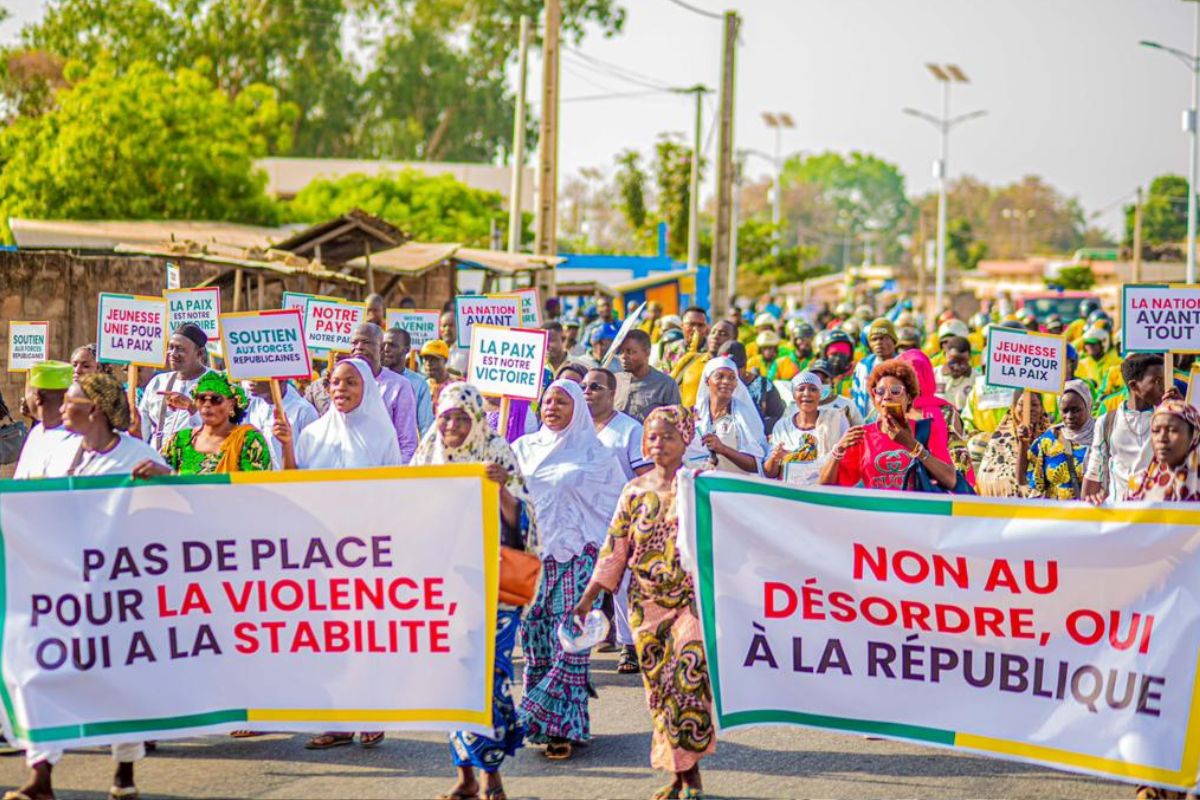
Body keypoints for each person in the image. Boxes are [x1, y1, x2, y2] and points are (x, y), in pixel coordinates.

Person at [12, 373, 165, 800]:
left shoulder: (137, 454)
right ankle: (41, 774)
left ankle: (124, 771)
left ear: (93, 409)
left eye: (71, 401)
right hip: (60, 585)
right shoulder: (60, 451)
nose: (62, 407)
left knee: (117, 680)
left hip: (116, 590)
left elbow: (179, 506)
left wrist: (161, 478)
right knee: (37, 673)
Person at [573, 407, 716, 800]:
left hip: (691, 603)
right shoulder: (634, 491)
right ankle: (678, 773)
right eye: (652, 437)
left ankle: (693, 777)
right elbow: (615, 548)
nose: (659, 444)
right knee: (660, 691)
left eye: (668, 436)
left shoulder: (701, 486)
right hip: (645, 606)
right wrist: (588, 598)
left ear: (685, 439)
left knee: (689, 683)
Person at [410, 384, 538, 800]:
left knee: (488, 681)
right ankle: (465, 775)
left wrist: (501, 489)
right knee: (452, 682)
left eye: (462, 418)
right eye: (446, 417)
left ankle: (491, 776)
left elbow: (523, 521)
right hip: (443, 589)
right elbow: (406, 512)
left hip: (493, 589)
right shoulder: (427, 454)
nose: (452, 426)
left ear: (478, 420)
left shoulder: (497, 452)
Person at [272, 358, 401, 751]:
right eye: (334, 382)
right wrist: (287, 446)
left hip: (366, 553)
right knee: (330, 639)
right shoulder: (311, 434)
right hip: (321, 554)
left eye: (350, 383)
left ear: (366, 390)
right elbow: (294, 487)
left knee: (366, 637)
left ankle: (371, 716)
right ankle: (337, 722)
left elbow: (395, 494)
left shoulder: (381, 435)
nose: (341, 389)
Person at [513, 380, 626, 760]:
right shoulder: (522, 448)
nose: (552, 407)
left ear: (577, 407)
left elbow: (617, 506)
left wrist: (608, 557)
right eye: (547, 401)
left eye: (562, 401)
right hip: (532, 558)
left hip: (579, 557)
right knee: (536, 638)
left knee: (571, 641)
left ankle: (556, 725)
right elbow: (507, 499)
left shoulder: (597, 454)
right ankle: (550, 723)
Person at [819, 359, 958, 491]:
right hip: (877, 508)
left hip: (915, 508)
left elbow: (950, 480)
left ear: (909, 398)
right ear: (874, 399)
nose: (886, 396)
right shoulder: (862, 435)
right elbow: (826, 488)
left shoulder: (926, 430)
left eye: (896, 391)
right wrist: (838, 450)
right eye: (880, 392)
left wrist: (912, 445)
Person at [138, 372, 272, 475]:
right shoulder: (179, 440)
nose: (207, 405)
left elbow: (257, 487)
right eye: (201, 399)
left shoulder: (248, 440)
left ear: (231, 404)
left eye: (216, 400)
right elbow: (157, 477)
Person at [1083, 353, 1165, 504]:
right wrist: (1088, 506)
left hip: (1158, 512)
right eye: (1157, 381)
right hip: (1120, 511)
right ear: (1133, 386)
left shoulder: (1169, 420)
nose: (1163, 387)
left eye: (1164, 381)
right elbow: (1095, 471)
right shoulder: (1107, 422)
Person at [349, 322, 418, 463]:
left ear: (381, 349)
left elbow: (407, 444)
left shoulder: (399, 386)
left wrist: (395, 474)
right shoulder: (341, 384)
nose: (359, 347)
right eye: (354, 343)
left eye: (366, 342)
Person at [764, 371, 849, 486]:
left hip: (825, 491)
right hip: (789, 492)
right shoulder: (782, 426)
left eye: (813, 389)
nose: (807, 393)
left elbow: (847, 461)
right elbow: (769, 473)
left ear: (820, 394)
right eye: (801, 389)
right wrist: (774, 458)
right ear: (794, 394)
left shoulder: (836, 420)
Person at [899, 348, 972, 482]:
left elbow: (958, 454)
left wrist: (957, 485)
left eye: (918, 374)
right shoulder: (892, 410)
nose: (912, 381)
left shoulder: (945, 411)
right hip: (899, 482)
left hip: (938, 484)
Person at [685, 356, 766, 475]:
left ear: (736, 383)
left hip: (733, 484)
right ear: (707, 381)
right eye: (719, 376)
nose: (726, 381)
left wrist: (723, 449)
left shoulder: (745, 415)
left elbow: (758, 465)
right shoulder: (693, 414)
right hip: (701, 483)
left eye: (732, 378)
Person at [137, 323, 211, 449]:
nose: (173, 353)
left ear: (199, 353)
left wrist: (192, 408)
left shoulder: (218, 382)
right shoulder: (158, 382)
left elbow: (222, 430)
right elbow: (142, 428)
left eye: (180, 349)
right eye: (171, 347)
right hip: (159, 458)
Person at [1025, 380, 1094, 501]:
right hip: (1056, 511)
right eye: (1065, 411)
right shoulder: (1049, 440)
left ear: (1088, 406)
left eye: (1076, 410)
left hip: (1095, 510)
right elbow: (1033, 484)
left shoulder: (1103, 436)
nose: (1070, 416)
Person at [975, 391, 1049, 498]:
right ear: (1013, 408)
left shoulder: (1052, 438)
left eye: (1034, 404)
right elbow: (987, 480)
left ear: (1042, 408)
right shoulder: (998, 443)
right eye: (1021, 404)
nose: (1028, 409)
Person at [1127, 396, 1200, 502]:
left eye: (1173, 430)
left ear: (1194, 435)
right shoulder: (1137, 486)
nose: (1162, 438)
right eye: (1156, 431)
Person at [584, 368, 650, 482]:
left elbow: (647, 478)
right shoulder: (573, 427)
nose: (586, 391)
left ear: (611, 394)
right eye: (582, 387)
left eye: (594, 387)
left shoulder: (632, 430)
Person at [14, 361, 76, 479]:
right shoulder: (37, 432)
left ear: (37, 397)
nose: (25, 399)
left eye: (28, 394)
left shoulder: (73, 439)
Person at [245, 380, 319, 469]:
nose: (251, 380)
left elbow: (313, 463)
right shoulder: (254, 406)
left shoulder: (304, 411)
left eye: (259, 375)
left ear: (281, 380)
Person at [720, 341, 785, 437]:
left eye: (737, 368)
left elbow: (777, 417)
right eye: (726, 369)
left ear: (745, 365)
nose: (732, 373)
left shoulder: (764, 385)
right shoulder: (716, 387)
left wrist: (754, 427)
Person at [615, 329, 681, 423]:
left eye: (630, 352)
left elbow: (675, 422)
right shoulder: (614, 381)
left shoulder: (665, 384)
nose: (623, 357)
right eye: (620, 352)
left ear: (647, 353)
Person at [382, 327, 434, 436]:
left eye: (392, 345)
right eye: (383, 344)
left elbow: (425, 426)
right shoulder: (373, 378)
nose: (386, 349)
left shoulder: (419, 384)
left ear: (406, 350)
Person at [674, 320, 737, 408]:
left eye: (723, 334)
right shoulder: (691, 359)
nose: (715, 336)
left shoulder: (734, 369)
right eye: (713, 332)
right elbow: (669, 387)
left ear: (733, 341)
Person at [851, 318, 899, 420]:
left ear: (893, 340)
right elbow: (856, 397)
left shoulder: (903, 364)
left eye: (883, 338)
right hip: (867, 423)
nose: (879, 342)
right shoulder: (863, 366)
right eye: (874, 339)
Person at [809, 358, 864, 427]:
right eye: (815, 381)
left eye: (823, 382)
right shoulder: (803, 406)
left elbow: (861, 429)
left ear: (832, 383)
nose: (819, 385)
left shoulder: (846, 404)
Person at [664, 307, 710, 379]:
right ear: (682, 326)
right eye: (691, 324)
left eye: (700, 325)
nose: (695, 329)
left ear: (706, 328)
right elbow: (664, 376)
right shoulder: (672, 349)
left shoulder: (711, 350)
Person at [934, 336, 975, 410]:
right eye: (953, 360)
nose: (957, 367)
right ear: (946, 355)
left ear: (969, 357)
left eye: (962, 361)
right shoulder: (934, 374)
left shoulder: (976, 379)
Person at [421, 339, 456, 408]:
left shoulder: (456, 386)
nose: (428, 363)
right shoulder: (421, 387)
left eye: (433, 359)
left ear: (445, 360)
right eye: (426, 359)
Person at [439, 311, 470, 376]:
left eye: (451, 325)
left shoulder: (467, 350)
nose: (447, 329)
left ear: (458, 326)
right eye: (444, 326)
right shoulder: (434, 349)